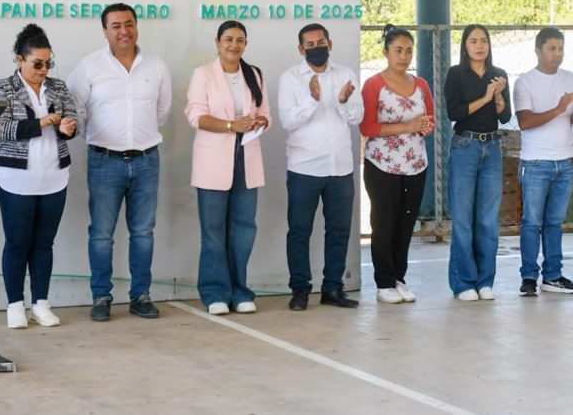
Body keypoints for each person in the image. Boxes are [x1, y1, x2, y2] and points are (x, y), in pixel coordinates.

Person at [67, 3, 172, 321]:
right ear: (105, 31)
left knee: (143, 232)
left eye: (129, 23)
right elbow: (76, 111)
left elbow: (162, 113)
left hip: (146, 160)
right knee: (101, 234)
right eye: (115, 25)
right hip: (104, 161)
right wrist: (101, 139)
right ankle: (101, 297)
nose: (123, 30)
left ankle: (140, 295)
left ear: (137, 26)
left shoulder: (156, 67)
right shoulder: (89, 67)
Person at [0, 24, 78, 328]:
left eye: (48, 63)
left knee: (44, 243)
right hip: (15, 178)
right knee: (17, 242)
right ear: (19, 59)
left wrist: (68, 126)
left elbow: (72, 119)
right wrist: (42, 123)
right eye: (37, 63)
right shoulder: (2, 88)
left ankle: (41, 303)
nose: (43, 69)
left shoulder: (59, 87)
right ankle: (15, 305)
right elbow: (0, 129)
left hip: (54, 176)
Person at [185, 20, 271, 315]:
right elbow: (196, 116)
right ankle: (214, 293)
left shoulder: (254, 74)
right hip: (213, 159)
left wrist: (260, 121)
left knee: (244, 229)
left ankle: (240, 292)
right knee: (213, 230)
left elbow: (265, 113)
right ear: (218, 42)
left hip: (246, 156)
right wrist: (232, 125)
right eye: (229, 39)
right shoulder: (204, 74)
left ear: (246, 44)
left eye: (240, 40)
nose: (234, 45)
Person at [278, 23, 364, 311]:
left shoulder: (346, 75)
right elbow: (287, 121)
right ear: (301, 49)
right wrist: (312, 100)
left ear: (330, 43)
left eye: (321, 42)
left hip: (340, 167)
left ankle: (333, 288)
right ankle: (300, 290)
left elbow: (356, 116)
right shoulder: (290, 78)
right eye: (310, 44)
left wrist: (341, 101)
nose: (317, 48)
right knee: (300, 231)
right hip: (304, 167)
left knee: (339, 231)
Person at [359, 25, 435, 304]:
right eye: (398, 50)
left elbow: (430, 121)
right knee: (384, 222)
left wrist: (424, 126)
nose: (403, 56)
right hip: (383, 164)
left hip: (415, 164)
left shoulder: (422, 85)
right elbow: (367, 125)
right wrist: (407, 126)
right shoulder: (374, 84)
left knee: (406, 224)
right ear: (386, 52)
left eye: (408, 51)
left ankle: (400, 278)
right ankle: (384, 282)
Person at [513, 27, 573, 297]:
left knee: (554, 222)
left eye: (560, 48)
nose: (557, 54)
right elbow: (525, 122)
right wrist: (558, 108)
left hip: (565, 161)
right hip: (535, 163)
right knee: (532, 222)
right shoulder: (525, 82)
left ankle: (553, 275)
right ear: (538, 51)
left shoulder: (571, 79)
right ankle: (529, 277)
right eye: (552, 48)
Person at [444, 24, 511, 301]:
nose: (479, 45)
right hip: (465, 145)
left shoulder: (499, 75)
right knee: (463, 218)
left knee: (487, 219)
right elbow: (454, 112)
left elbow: (505, 117)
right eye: (473, 41)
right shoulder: (456, 74)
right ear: (465, 45)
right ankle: (463, 283)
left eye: (484, 40)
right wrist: (484, 96)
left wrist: (497, 97)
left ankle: (485, 281)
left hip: (492, 146)